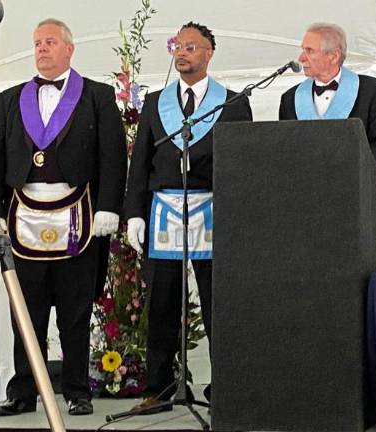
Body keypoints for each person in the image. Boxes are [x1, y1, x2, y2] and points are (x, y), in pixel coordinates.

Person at [0, 18, 126, 416]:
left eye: (49, 42)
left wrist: (109, 207)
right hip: (23, 216)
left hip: (78, 216)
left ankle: (76, 390)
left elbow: (113, 156)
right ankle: (23, 391)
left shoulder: (98, 96)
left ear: (70, 48)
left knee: (75, 309)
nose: (41, 49)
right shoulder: (9, 98)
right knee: (25, 312)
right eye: (36, 43)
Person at [124, 22, 252, 413]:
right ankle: (160, 387)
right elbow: (140, 162)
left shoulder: (232, 103)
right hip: (163, 210)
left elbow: (244, 166)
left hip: (212, 211)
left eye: (191, 46)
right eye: (178, 46)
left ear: (210, 52)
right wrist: (134, 214)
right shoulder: (155, 103)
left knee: (219, 304)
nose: (182, 52)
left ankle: (225, 386)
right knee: (161, 304)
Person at [279, 22, 376, 259]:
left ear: (333, 55)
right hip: (308, 205)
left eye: (309, 51)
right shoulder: (290, 99)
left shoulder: (371, 90)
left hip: (357, 200)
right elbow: (286, 152)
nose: (301, 57)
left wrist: (348, 171)